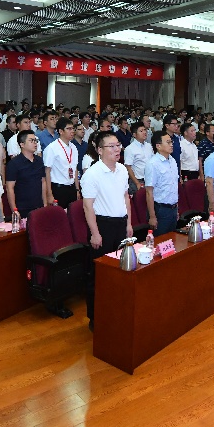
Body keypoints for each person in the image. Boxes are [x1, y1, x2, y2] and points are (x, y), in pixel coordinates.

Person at [80, 130, 134, 330]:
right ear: (100, 150)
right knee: (99, 274)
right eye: (111, 146)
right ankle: (95, 318)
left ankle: (115, 311)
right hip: (102, 227)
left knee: (119, 271)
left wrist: (129, 224)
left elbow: (125, 197)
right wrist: (95, 233)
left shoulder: (122, 170)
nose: (117, 149)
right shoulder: (92, 174)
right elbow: (88, 206)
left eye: (118, 145)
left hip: (121, 224)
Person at [5, 130, 47, 219]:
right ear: (22, 144)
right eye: (31, 140)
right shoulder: (14, 163)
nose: (35, 143)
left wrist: (45, 204)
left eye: (36, 140)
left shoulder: (39, 161)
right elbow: (9, 188)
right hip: (22, 208)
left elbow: (43, 182)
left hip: (39, 206)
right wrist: (14, 210)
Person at [144, 131, 180, 236]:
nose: (171, 144)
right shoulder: (152, 164)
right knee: (160, 242)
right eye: (168, 142)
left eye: (171, 142)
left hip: (173, 209)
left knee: (172, 240)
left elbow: (174, 186)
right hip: (160, 209)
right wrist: (152, 216)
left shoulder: (172, 161)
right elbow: (149, 192)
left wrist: (176, 209)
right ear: (158, 146)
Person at [43, 118, 79, 209]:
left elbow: (75, 169)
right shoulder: (52, 148)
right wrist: (49, 194)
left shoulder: (73, 147)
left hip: (72, 187)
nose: (72, 131)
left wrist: (77, 189)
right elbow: (47, 171)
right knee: (59, 215)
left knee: (72, 214)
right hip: (58, 188)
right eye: (69, 129)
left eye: (73, 128)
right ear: (61, 131)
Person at [123, 122, 151, 191]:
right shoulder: (130, 149)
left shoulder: (149, 146)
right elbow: (128, 168)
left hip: (150, 179)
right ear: (134, 135)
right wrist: (137, 183)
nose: (144, 132)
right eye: (141, 131)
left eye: (145, 130)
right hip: (138, 181)